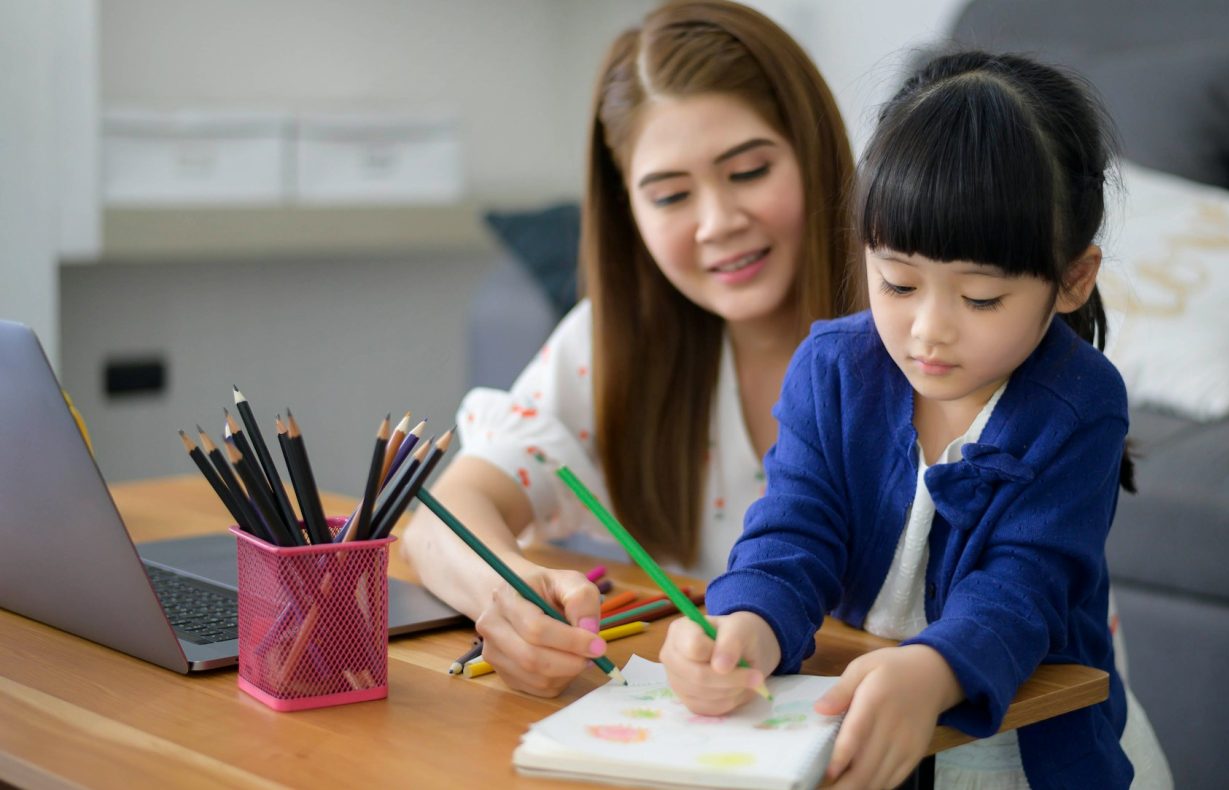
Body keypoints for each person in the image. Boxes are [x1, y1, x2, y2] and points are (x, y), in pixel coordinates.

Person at [658, 51, 1172, 789]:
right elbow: (794, 528)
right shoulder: (832, 368)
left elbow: (1023, 589)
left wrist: (932, 671)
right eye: (897, 283)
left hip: (1022, 742)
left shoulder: (1080, 403)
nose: (929, 331)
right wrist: (749, 625)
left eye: (981, 300)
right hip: (868, 721)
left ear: (1072, 280)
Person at [400, 0, 857, 698]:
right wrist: (508, 591)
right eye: (672, 196)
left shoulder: (922, 329)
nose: (718, 223)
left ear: (813, 152)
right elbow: (440, 521)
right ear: (629, 213)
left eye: (749, 171)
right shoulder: (616, 343)